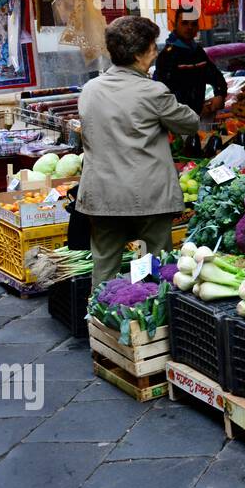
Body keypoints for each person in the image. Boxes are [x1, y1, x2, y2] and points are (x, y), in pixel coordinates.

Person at [77, 16, 200, 288]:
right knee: (157, 266)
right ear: (137, 54)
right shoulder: (153, 91)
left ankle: (100, 323)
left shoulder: (89, 90)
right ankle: (153, 325)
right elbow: (189, 123)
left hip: (102, 196)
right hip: (148, 197)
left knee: (104, 268)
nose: (156, 51)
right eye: (151, 46)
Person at [153, 15, 227, 116]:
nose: (189, 27)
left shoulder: (198, 51)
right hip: (177, 119)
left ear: (197, 27)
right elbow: (164, 95)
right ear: (175, 25)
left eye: (193, 24)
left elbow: (215, 76)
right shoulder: (167, 55)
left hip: (197, 116)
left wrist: (220, 95)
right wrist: (192, 112)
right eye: (184, 23)